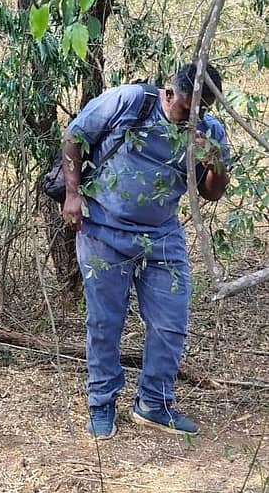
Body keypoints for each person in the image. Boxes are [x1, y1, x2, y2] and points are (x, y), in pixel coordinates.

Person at [62, 63, 230, 439]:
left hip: (161, 235)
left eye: (201, 111)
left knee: (171, 321)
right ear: (169, 94)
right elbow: (74, 136)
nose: (192, 118)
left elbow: (212, 192)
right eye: (186, 109)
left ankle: (154, 403)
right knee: (105, 322)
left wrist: (214, 160)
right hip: (103, 229)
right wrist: (72, 194)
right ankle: (101, 404)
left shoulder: (209, 131)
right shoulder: (130, 102)